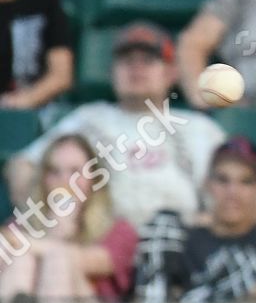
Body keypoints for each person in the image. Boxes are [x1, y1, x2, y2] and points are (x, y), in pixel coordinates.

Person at [6, 23, 225, 232]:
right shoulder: (88, 118)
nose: (137, 68)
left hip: (180, 241)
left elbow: (228, 192)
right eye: (127, 61)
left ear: (171, 73)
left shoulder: (199, 128)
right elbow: (22, 164)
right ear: (112, 73)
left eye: (148, 60)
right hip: (101, 241)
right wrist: (44, 220)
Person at [134, 137, 256, 303]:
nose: (232, 192)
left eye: (245, 182)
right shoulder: (183, 241)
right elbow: (152, 301)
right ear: (208, 184)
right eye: (223, 180)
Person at [0, 134, 137, 303]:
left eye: (75, 171)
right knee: (20, 259)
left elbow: (93, 262)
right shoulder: (26, 223)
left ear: (93, 178)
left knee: (59, 259)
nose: (65, 181)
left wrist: (51, 237)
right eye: (54, 171)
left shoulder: (118, 229)